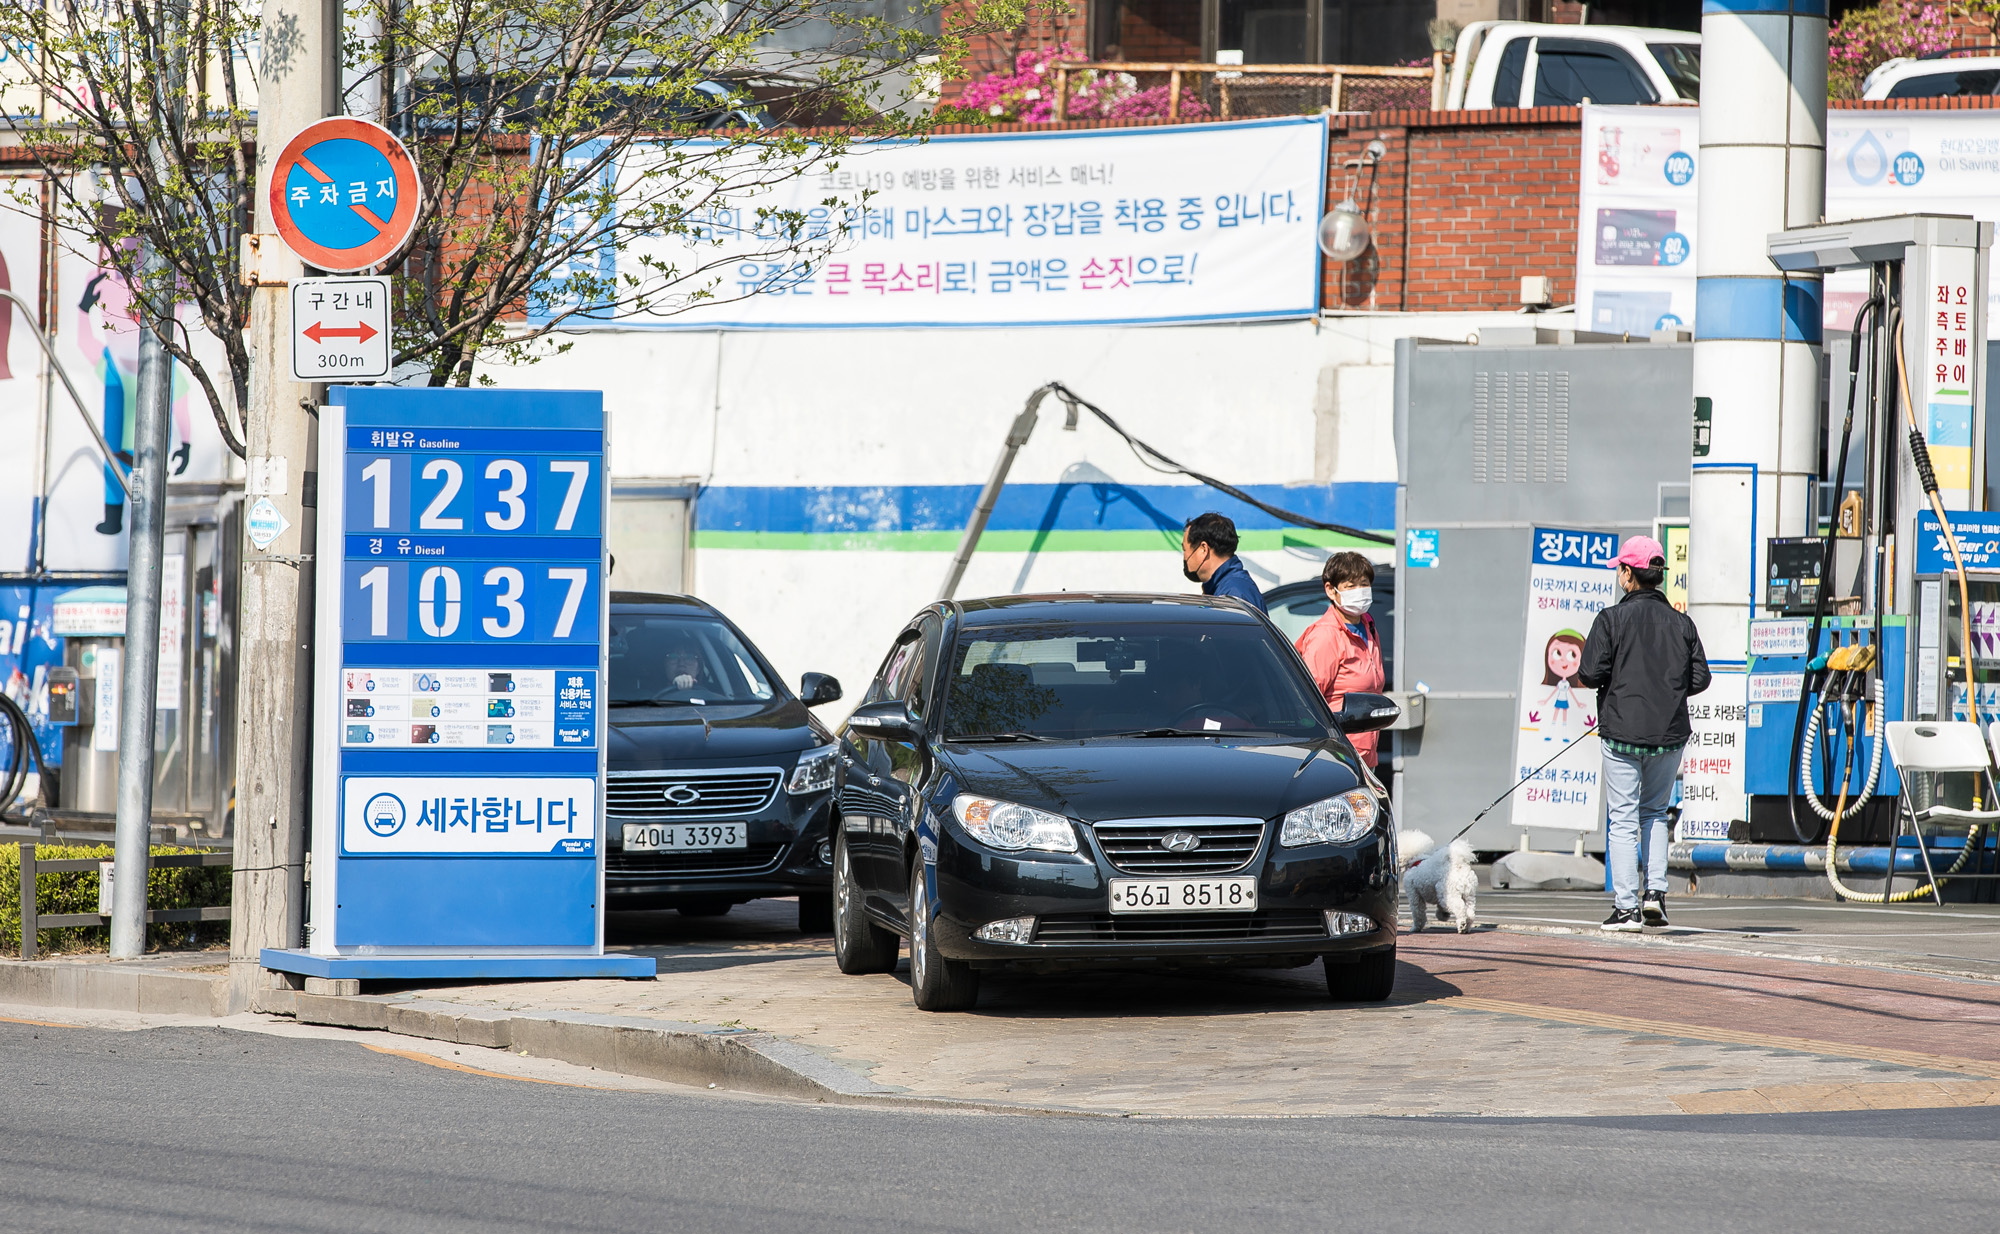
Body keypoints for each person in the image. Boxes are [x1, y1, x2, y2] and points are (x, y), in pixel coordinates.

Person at [1577, 535, 1710, 933]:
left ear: (1627, 574)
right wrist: (1666, 691)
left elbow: (1589, 673)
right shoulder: (1682, 623)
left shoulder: (1610, 619)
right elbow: (1700, 678)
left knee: (1622, 819)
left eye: (1620, 569)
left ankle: (1626, 909)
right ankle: (1655, 896)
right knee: (1654, 813)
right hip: (1669, 734)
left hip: (1621, 732)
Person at [1295, 552, 1386, 767]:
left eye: (1364, 584)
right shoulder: (1326, 635)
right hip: (1337, 757)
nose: (1359, 591)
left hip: (1365, 755)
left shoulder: (1368, 626)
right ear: (1330, 590)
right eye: (1350, 586)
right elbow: (1308, 700)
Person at [1181, 511, 1266, 612]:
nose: (1184, 556)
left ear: (1203, 549)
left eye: (1184, 549)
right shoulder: (1228, 588)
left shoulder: (1233, 596)